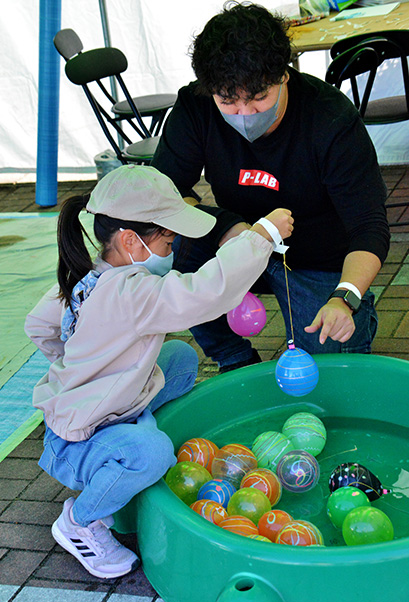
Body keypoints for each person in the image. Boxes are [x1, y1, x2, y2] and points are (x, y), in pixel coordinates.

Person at [24, 164, 293, 579]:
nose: (172, 248)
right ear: (131, 240)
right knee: (153, 453)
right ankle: (80, 522)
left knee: (180, 361)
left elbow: (39, 325)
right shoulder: (131, 293)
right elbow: (205, 293)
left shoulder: (92, 274)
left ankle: (129, 429)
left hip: (97, 409)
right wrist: (262, 236)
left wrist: (84, 363)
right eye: (167, 239)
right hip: (77, 441)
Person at [151, 1, 390, 373]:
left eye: (259, 98)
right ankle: (234, 357)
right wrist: (229, 227)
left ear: (284, 76)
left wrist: (345, 298)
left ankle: (352, 319)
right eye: (227, 102)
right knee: (173, 239)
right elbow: (162, 195)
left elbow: (369, 228)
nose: (245, 116)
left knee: (331, 360)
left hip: (317, 257)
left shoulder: (330, 119)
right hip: (235, 244)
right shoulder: (195, 107)